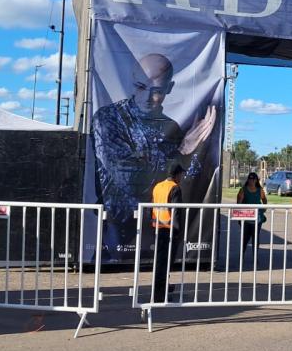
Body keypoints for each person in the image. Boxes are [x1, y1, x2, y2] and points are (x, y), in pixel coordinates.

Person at [92, 53, 217, 262]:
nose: (147, 97)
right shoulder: (109, 118)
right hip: (118, 230)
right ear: (132, 82)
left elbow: (185, 180)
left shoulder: (172, 127)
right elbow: (128, 178)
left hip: (158, 224)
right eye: (141, 87)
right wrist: (183, 152)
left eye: (157, 91)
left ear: (169, 88)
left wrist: (196, 151)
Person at [151, 162, 185, 303]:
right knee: (165, 263)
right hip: (170, 230)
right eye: (181, 174)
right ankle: (160, 295)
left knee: (160, 262)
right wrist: (178, 232)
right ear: (176, 175)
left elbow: (151, 206)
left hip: (158, 227)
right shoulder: (175, 188)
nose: (182, 177)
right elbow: (175, 212)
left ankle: (162, 288)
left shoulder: (158, 186)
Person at [236, 172, 268, 253]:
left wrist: (264, 208)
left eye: (253, 179)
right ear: (248, 180)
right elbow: (238, 202)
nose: (252, 181)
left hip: (258, 218)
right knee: (245, 238)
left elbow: (264, 199)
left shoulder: (260, 190)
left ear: (256, 180)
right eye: (250, 179)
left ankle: (255, 257)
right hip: (246, 218)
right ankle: (241, 256)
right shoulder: (243, 190)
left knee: (255, 238)